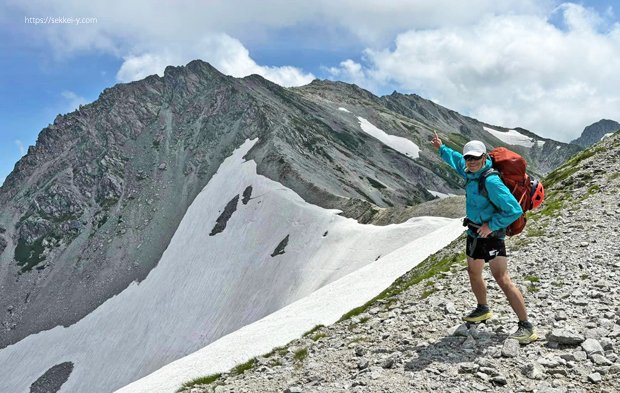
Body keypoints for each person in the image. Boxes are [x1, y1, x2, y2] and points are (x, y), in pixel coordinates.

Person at [431, 132, 538, 344]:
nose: (471, 162)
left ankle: (526, 327)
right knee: (473, 271)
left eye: (475, 158)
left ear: (483, 157)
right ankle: (483, 309)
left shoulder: (491, 181)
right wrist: (441, 148)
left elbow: (514, 210)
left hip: (491, 235)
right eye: (468, 158)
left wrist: (491, 226)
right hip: (474, 232)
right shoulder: (469, 171)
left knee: (502, 278)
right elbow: (454, 159)